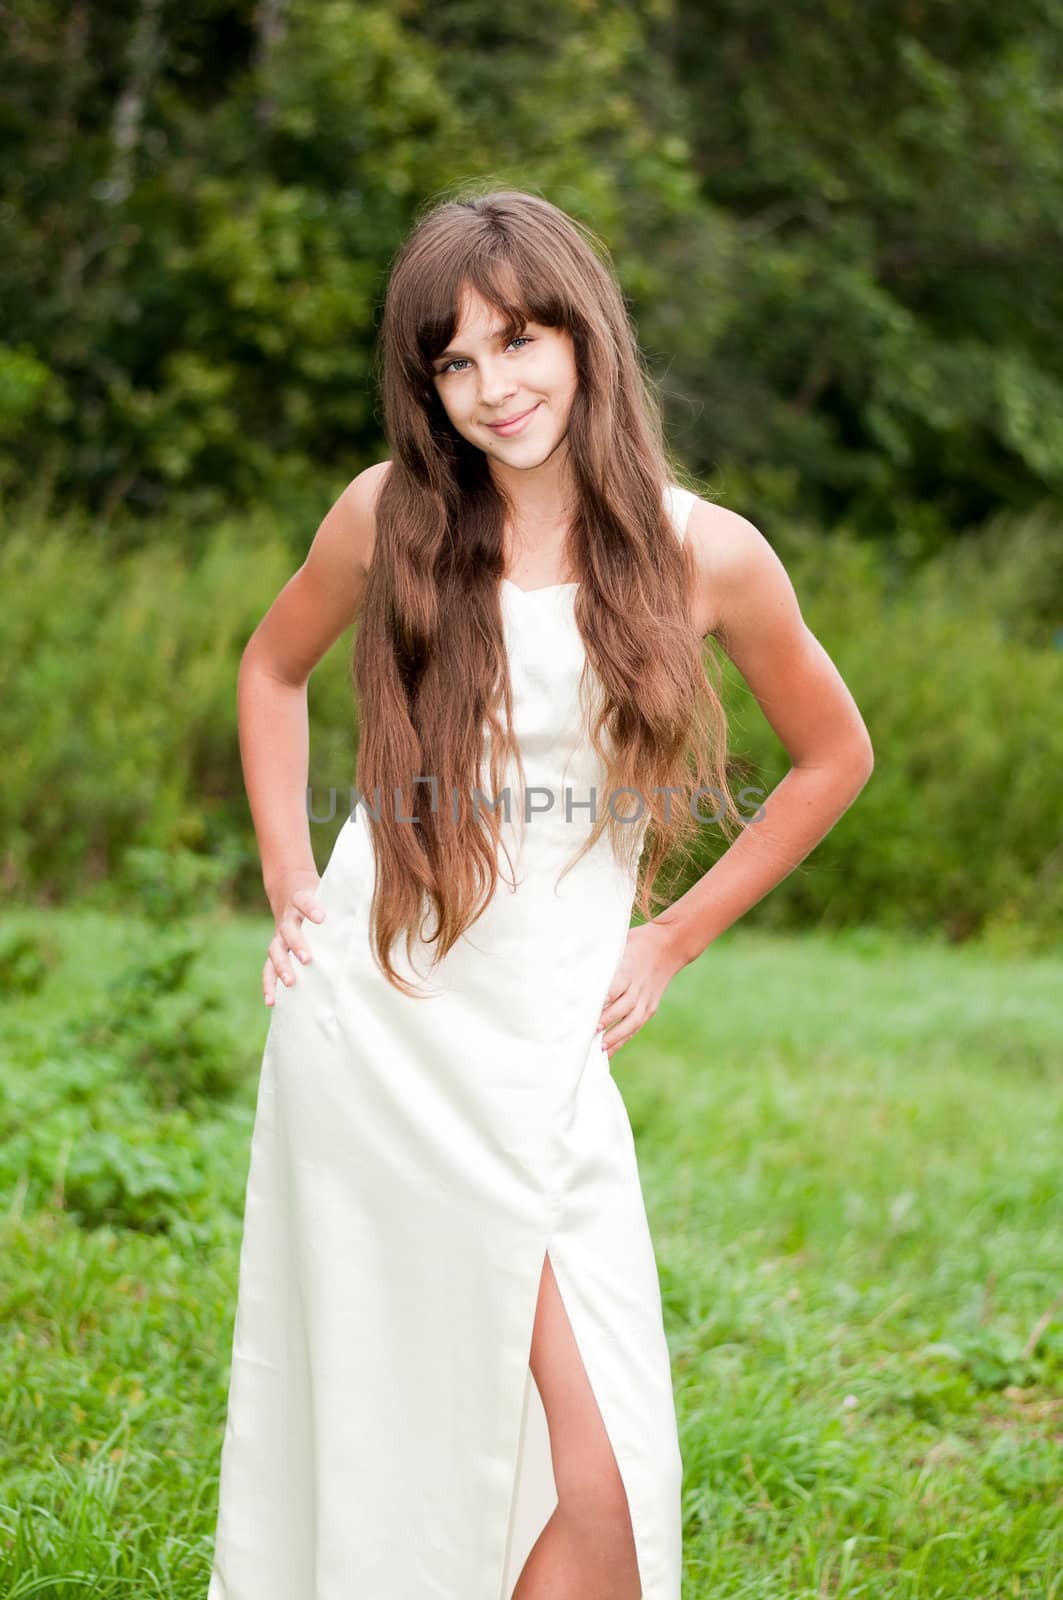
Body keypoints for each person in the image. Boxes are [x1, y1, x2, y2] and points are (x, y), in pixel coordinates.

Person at [207, 187, 874, 1600]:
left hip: (545, 1047)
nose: (491, 388)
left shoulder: (709, 553)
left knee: (605, 1480)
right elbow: (271, 672)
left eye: (518, 342)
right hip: (378, 1032)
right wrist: (288, 886)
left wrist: (678, 936)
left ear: (587, 337)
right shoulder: (386, 516)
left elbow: (834, 756)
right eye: (452, 360)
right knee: (419, 1433)